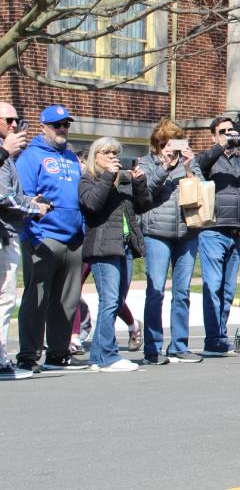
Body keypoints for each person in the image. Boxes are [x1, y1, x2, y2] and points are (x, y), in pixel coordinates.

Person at [15, 105, 88, 372]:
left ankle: (58, 354)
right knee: (37, 298)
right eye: (57, 125)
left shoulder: (70, 158)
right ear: (43, 126)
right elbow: (24, 198)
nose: (62, 129)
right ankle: (28, 356)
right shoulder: (30, 157)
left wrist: (81, 229)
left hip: (73, 239)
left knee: (66, 301)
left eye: (66, 124)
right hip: (43, 237)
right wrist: (32, 235)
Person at [78, 137, 152, 372]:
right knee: (109, 300)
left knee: (116, 301)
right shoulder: (87, 179)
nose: (112, 157)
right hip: (102, 247)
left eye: (115, 153)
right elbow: (92, 205)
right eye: (106, 152)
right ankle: (106, 356)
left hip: (125, 246)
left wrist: (139, 183)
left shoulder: (124, 181)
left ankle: (99, 356)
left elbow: (143, 206)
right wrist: (109, 177)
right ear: (95, 156)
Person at [194, 115, 240, 360]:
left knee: (226, 290)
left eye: (231, 131)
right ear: (214, 135)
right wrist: (221, 146)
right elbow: (197, 164)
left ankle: (221, 337)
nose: (228, 134)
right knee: (212, 287)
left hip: (235, 231)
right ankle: (213, 339)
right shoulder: (209, 160)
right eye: (222, 131)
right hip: (212, 229)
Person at [138, 119, 203, 365]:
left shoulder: (188, 162)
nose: (168, 147)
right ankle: (152, 349)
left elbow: (201, 190)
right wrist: (164, 167)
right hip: (157, 232)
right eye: (163, 143)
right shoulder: (146, 163)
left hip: (187, 232)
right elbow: (145, 194)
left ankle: (179, 345)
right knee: (155, 291)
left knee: (182, 292)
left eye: (172, 142)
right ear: (156, 144)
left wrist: (188, 166)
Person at [0, 103, 45, 379]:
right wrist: (34, 209)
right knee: (4, 299)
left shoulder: (9, 157)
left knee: (5, 299)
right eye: (9, 120)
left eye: (18, 120)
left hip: (8, 232)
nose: (15, 125)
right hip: (4, 234)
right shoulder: (5, 154)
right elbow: (4, 197)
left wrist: (29, 202)